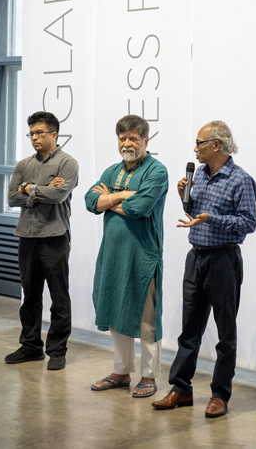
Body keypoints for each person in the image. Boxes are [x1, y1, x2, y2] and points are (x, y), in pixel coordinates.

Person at [152, 121, 256, 418]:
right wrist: (183, 197)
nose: (195, 149)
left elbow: (248, 223)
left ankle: (220, 395)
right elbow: (193, 214)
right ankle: (181, 388)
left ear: (216, 145)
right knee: (190, 328)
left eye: (199, 143)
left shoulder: (241, 180)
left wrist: (213, 218)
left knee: (225, 332)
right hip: (195, 257)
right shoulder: (198, 174)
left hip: (224, 259)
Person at [84, 115, 168, 399]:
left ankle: (149, 375)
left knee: (146, 318)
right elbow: (90, 201)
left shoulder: (157, 171)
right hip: (112, 253)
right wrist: (122, 196)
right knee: (114, 310)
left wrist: (109, 199)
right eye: (123, 138)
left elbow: (139, 208)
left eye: (133, 138)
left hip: (143, 254)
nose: (127, 144)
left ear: (146, 140)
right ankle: (121, 372)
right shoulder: (112, 171)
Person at [4, 111, 79, 371]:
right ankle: (31, 346)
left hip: (54, 236)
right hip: (27, 236)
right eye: (31, 134)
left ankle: (57, 351)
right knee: (30, 296)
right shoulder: (23, 165)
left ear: (54, 134)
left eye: (39, 133)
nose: (34, 138)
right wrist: (39, 190)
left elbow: (59, 195)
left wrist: (28, 188)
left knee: (59, 297)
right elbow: (12, 198)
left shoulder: (68, 163)